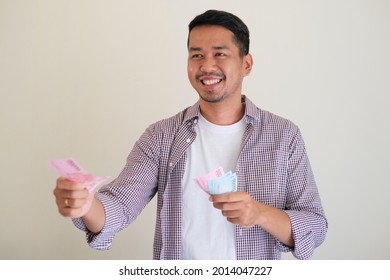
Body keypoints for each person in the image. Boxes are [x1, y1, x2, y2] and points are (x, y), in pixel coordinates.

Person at [53, 10, 327, 260]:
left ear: (246, 64)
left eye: (220, 54)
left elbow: (314, 227)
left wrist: (259, 214)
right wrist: (86, 204)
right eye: (197, 55)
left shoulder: (283, 136)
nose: (207, 66)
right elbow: (119, 207)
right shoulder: (161, 136)